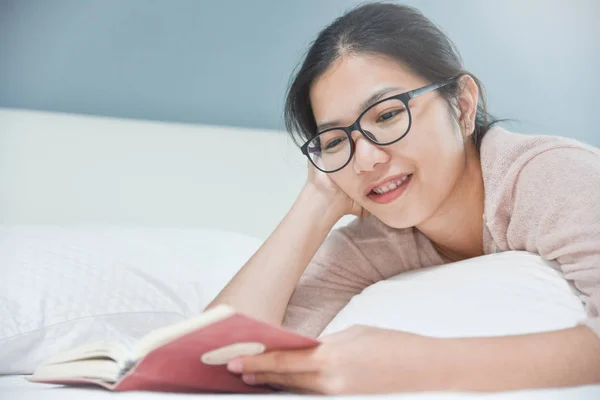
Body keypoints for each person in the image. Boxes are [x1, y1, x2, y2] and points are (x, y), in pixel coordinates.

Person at [206, 2, 600, 394]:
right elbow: (220, 359)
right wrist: (317, 199)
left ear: (462, 106)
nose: (365, 159)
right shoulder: (374, 242)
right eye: (335, 139)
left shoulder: (552, 178)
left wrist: (420, 365)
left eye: (388, 115)